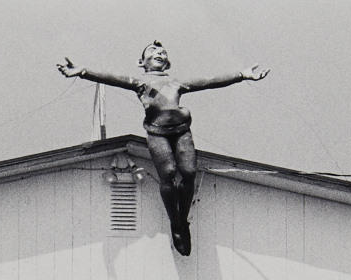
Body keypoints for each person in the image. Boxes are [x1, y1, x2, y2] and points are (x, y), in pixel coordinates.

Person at [57, 41, 268, 256]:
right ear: (142, 62)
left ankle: (182, 220)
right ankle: (175, 222)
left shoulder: (176, 82)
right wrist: (82, 71)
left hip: (182, 131)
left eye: (162, 52)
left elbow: (209, 81)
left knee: (188, 172)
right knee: (168, 173)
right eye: (153, 51)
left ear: (168, 62)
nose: (159, 52)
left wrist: (242, 75)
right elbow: (112, 77)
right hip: (157, 132)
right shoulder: (140, 81)